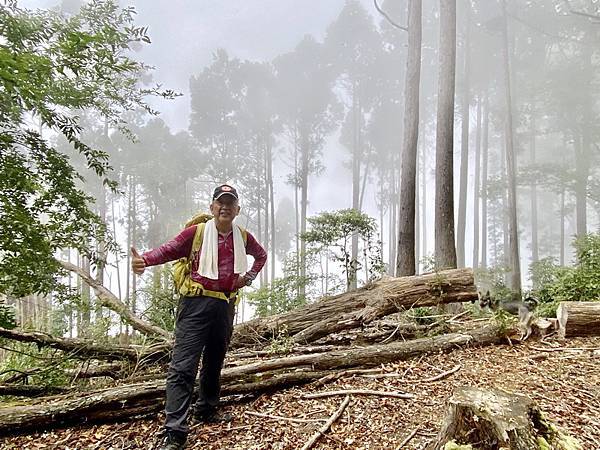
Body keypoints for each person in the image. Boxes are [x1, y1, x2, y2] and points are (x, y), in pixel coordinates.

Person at [131, 184, 267, 450]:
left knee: (214, 361)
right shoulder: (197, 233)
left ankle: (206, 409)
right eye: (220, 202)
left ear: (237, 209)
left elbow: (261, 256)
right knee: (183, 366)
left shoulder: (243, 236)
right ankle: (175, 431)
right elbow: (168, 250)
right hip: (196, 304)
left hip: (225, 305)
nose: (225, 207)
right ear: (212, 207)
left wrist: (248, 277)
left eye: (230, 203)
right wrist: (144, 260)